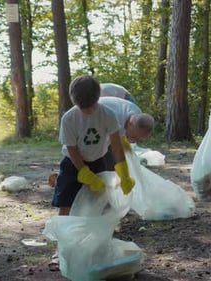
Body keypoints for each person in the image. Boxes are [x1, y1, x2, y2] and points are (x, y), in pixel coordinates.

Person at [49, 75, 136, 270]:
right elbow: (72, 149)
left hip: (99, 160)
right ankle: (61, 249)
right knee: (65, 204)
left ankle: (99, 246)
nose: (88, 111)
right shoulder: (69, 118)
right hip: (73, 164)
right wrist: (84, 173)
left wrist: (123, 172)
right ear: (74, 100)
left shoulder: (107, 114)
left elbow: (116, 144)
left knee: (103, 202)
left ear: (97, 98)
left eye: (91, 107)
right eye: (83, 108)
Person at [98, 96, 155, 169]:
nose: (134, 141)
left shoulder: (137, 115)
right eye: (134, 137)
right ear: (129, 124)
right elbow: (108, 145)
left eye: (139, 139)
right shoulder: (114, 119)